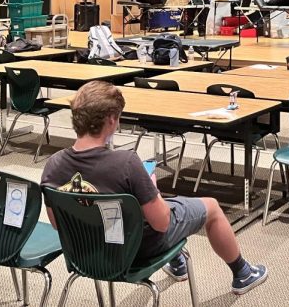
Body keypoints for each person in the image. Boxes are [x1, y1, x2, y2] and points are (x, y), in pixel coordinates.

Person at [41, 82, 268, 295]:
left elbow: (56, 223)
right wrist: (152, 189)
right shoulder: (126, 163)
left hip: (86, 253)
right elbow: (162, 223)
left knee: (140, 203)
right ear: (111, 120)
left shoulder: (53, 166)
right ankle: (243, 273)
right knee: (210, 208)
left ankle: (177, 262)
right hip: (134, 252)